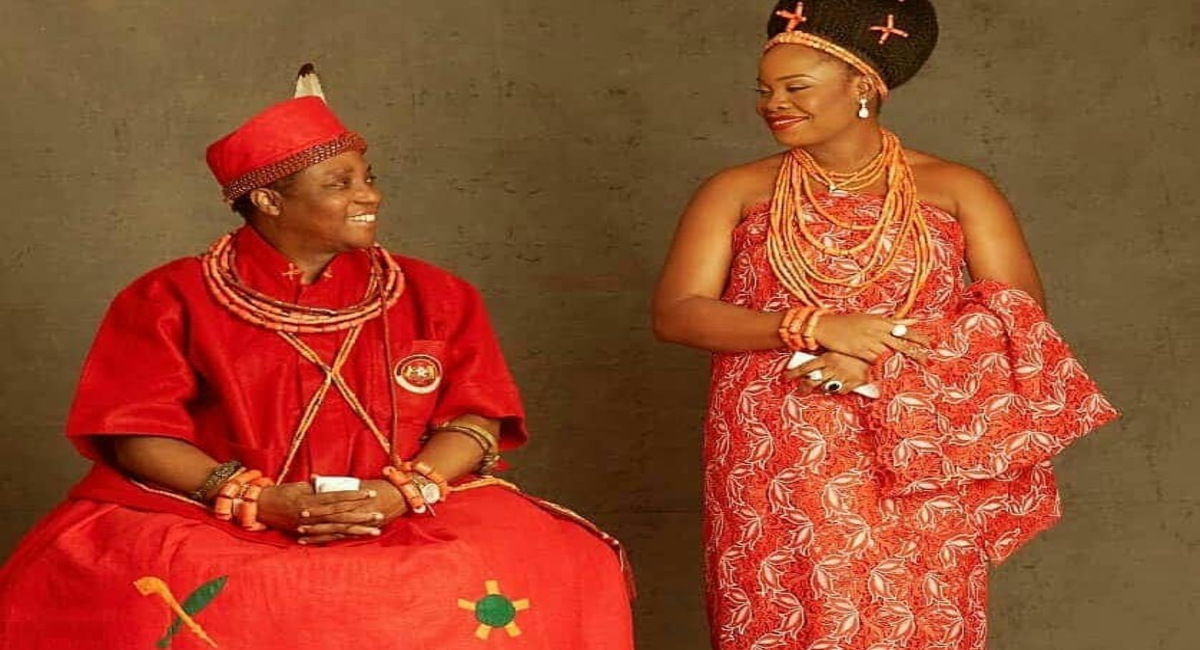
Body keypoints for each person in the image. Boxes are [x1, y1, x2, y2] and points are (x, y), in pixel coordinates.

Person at [0, 66, 634, 650]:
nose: (372, 197)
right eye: (340, 184)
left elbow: (474, 421)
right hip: (220, 515)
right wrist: (262, 498)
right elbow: (136, 434)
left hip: (408, 503)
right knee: (184, 589)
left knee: (553, 562)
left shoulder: (436, 294)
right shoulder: (168, 297)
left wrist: (400, 493)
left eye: (369, 177)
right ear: (270, 202)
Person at [652, 2, 1118, 648]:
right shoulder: (735, 190)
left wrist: (880, 355)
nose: (773, 104)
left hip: (916, 448)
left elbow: (1019, 318)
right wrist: (812, 326)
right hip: (773, 450)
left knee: (914, 618)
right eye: (765, 90)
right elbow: (678, 312)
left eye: (796, 88)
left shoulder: (957, 188)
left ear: (864, 87)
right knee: (781, 619)